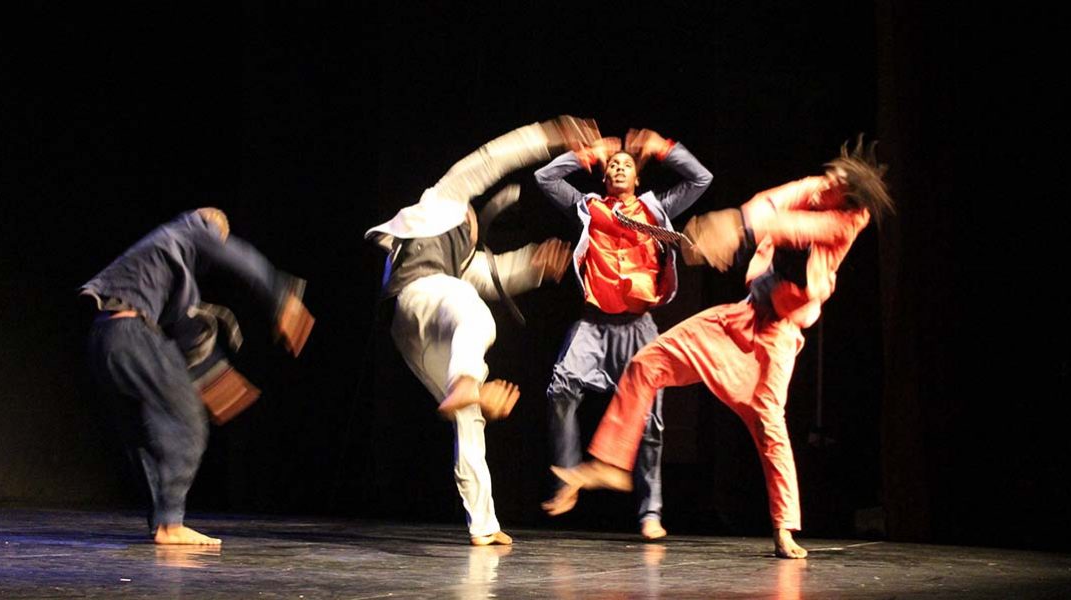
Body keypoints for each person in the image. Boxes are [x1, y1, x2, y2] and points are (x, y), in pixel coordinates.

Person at [546, 137, 894, 558]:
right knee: (647, 363)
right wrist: (736, 222)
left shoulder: (846, 221)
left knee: (769, 425)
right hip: (743, 314)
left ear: (850, 199)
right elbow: (772, 203)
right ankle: (612, 463)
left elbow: (796, 226)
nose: (823, 187)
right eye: (827, 178)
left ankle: (785, 527)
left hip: (777, 335)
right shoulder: (820, 187)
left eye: (835, 186)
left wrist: (738, 229)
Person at [365, 118, 593, 545]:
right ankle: (467, 382)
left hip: (408, 328)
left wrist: (534, 265)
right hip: (418, 295)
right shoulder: (443, 200)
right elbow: (493, 159)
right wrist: (549, 135)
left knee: (469, 416)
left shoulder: (462, 259)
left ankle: (484, 524)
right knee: (477, 316)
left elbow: (493, 274)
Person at [82, 207, 313, 545]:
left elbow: (188, 332)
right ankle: (171, 525)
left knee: (141, 433)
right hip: (130, 333)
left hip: (103, 338)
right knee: (188, 421)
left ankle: (163, 524)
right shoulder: (193, 230)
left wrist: (215, 379)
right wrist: (282, 297)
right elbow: (242, 257)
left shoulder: (165, 256)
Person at [535, 128, 712, 539]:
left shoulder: (656, 210)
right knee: (560, 390)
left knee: (650, 422)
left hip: (639, 326)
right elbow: (546, 179)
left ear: (637, 179)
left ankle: (650, 512)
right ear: (603, 176)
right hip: (594, 324)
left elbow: (701, 179)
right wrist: (586, 154)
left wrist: (663, 148)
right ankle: (568, 478)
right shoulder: (588, 207)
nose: (618, 166)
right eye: (612, 164)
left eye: (626, 164)